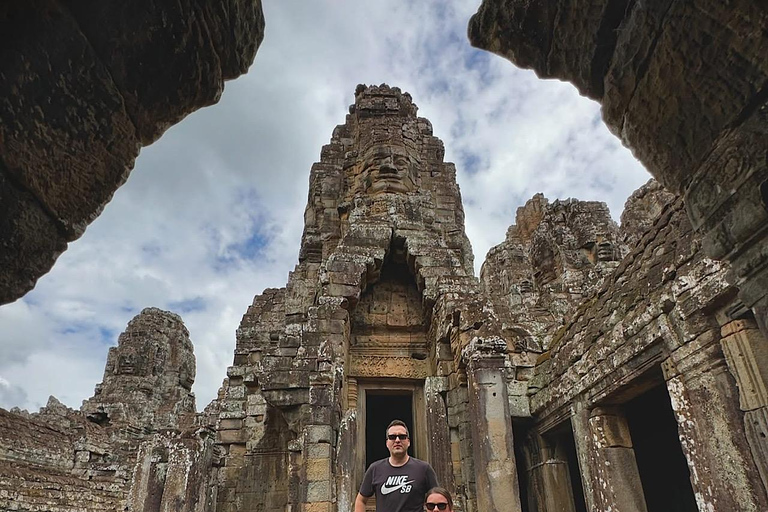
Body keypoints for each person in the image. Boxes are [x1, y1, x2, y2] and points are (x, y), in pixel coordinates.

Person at [354, 419, 438, 512]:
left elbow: (438, 500)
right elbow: (360, 500)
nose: (397, 440)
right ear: (387, 443)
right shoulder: (375, 469)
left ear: (408, 442)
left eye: (402, 437)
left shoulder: (424, 469)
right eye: (392, 437)